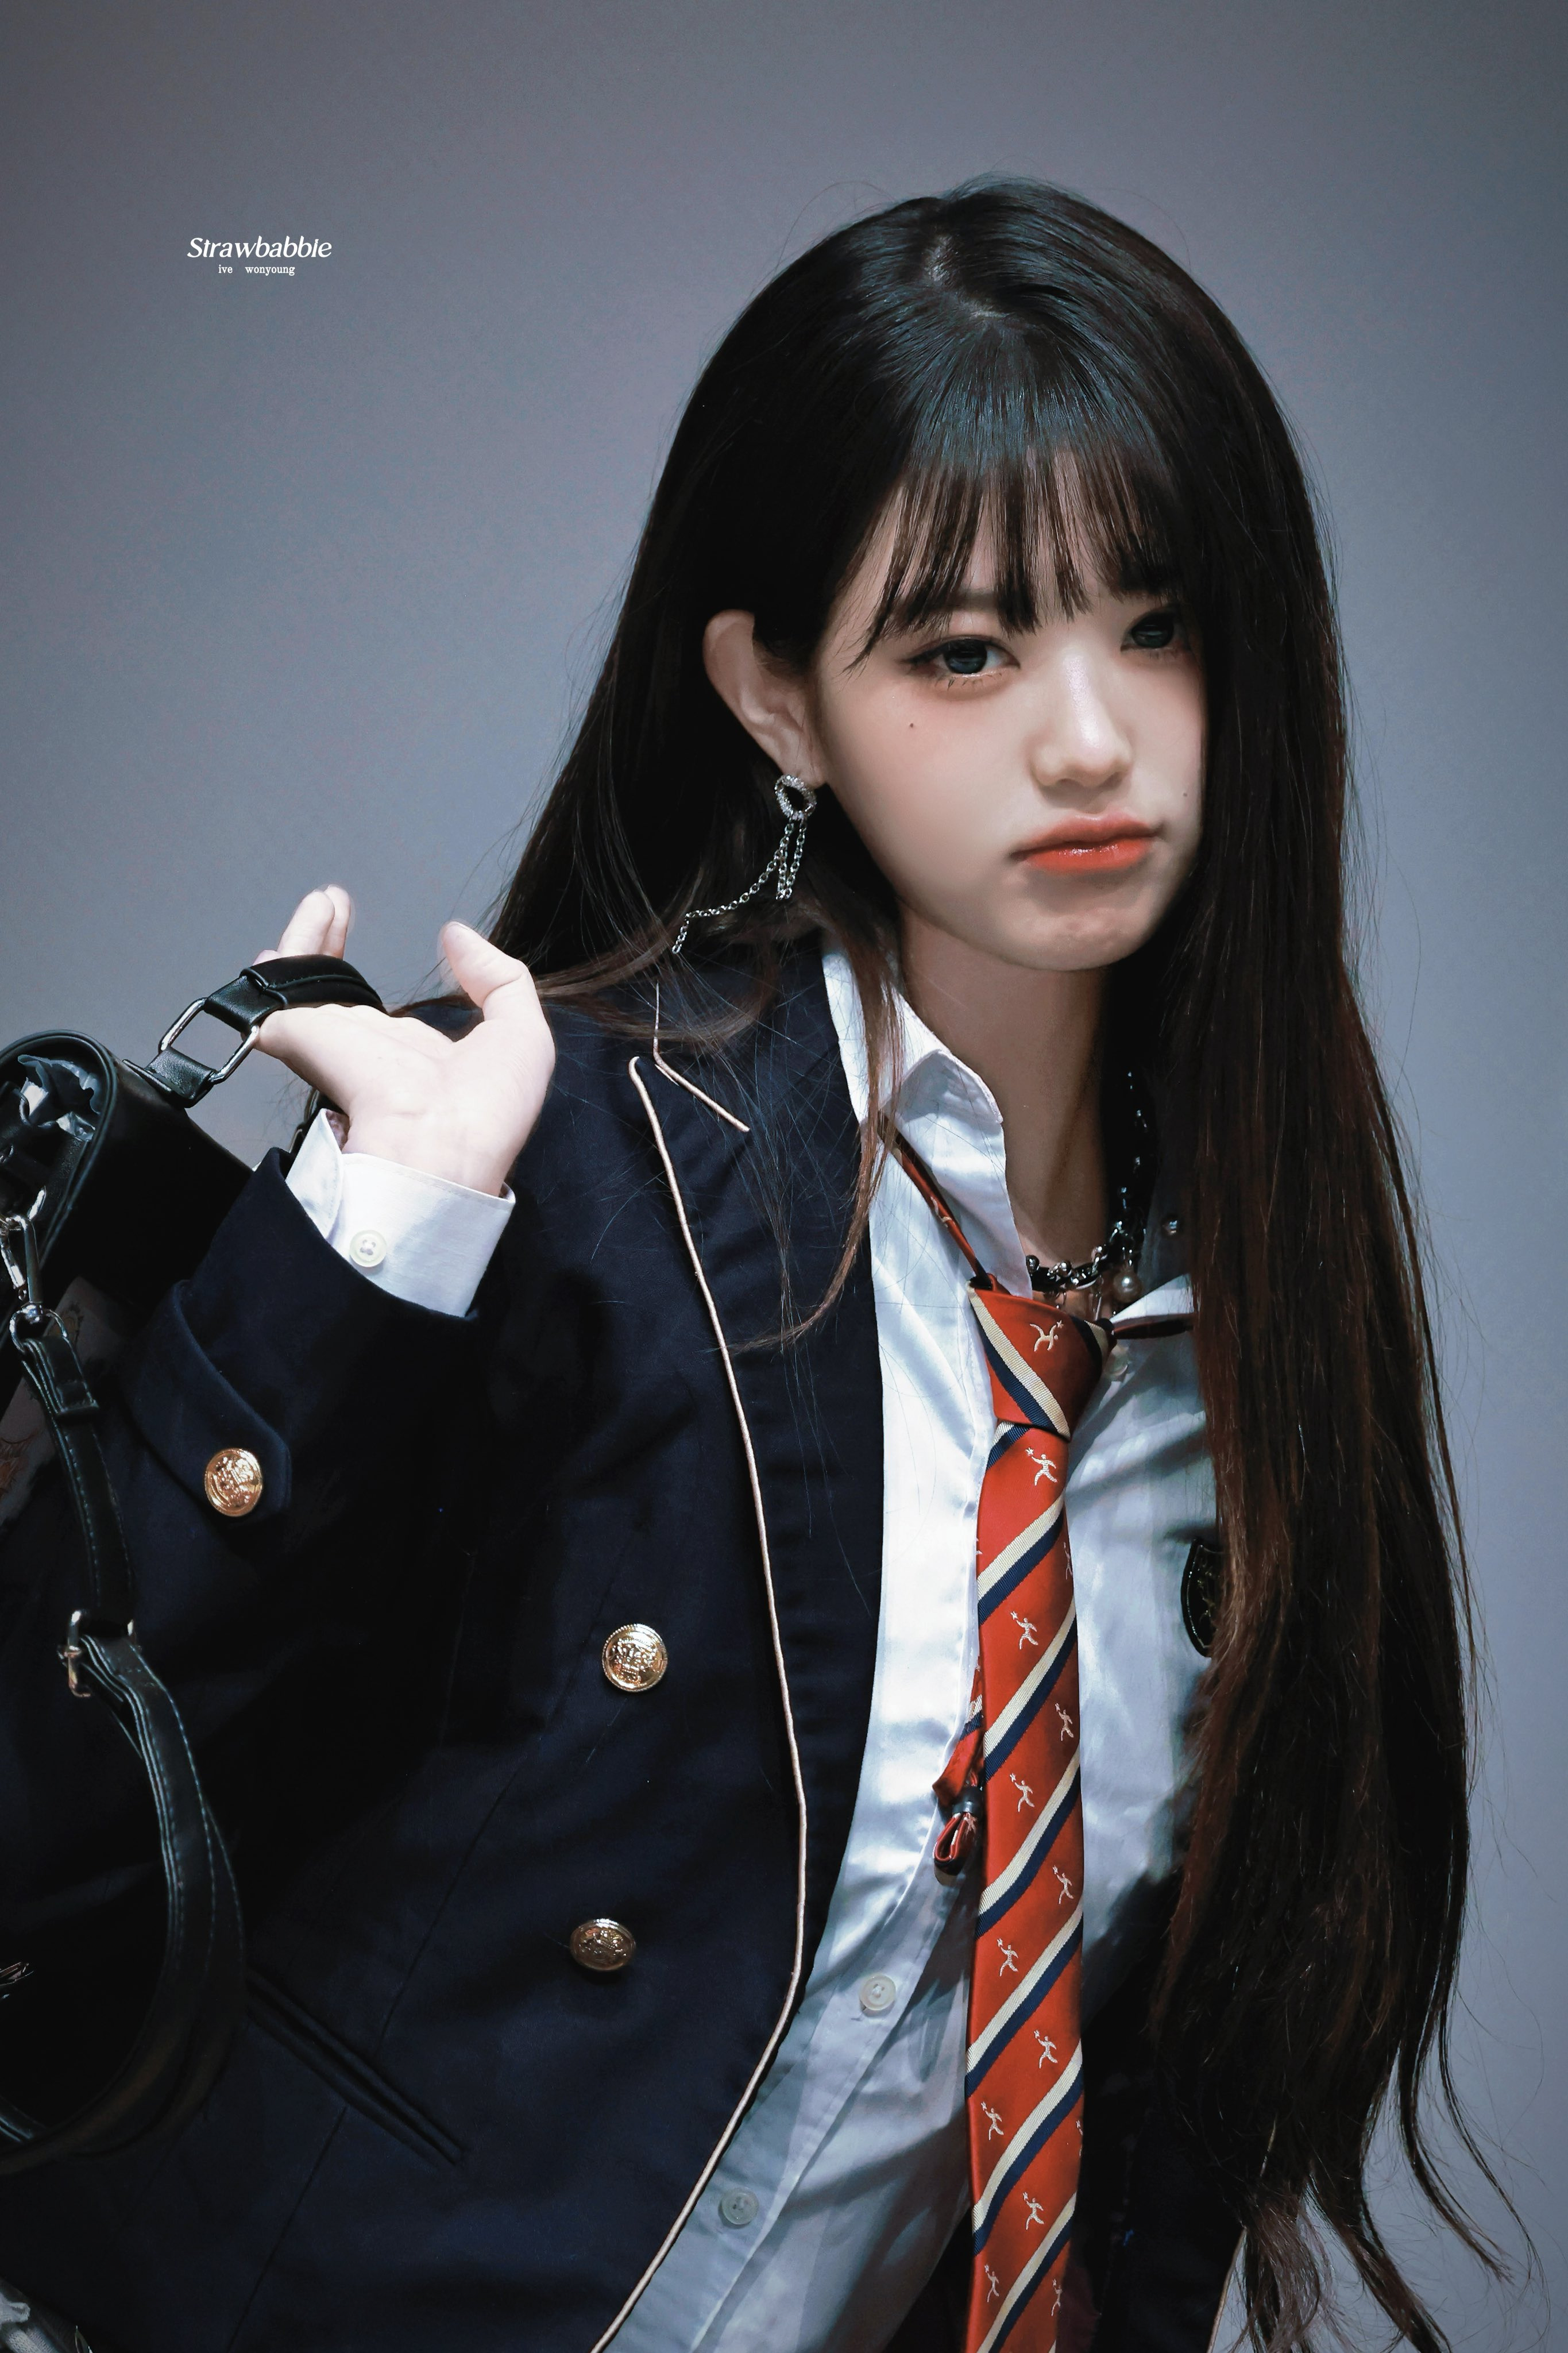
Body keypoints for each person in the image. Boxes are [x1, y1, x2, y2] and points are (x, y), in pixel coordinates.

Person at [0, 180, 1494, 2353]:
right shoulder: (559, 1155)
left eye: (1158, 624)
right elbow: (33, 1836)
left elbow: (1158, 2122)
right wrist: (355, 1252)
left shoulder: (1260, 1318)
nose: (1087, 737)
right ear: (778, 700)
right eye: (964, 651)